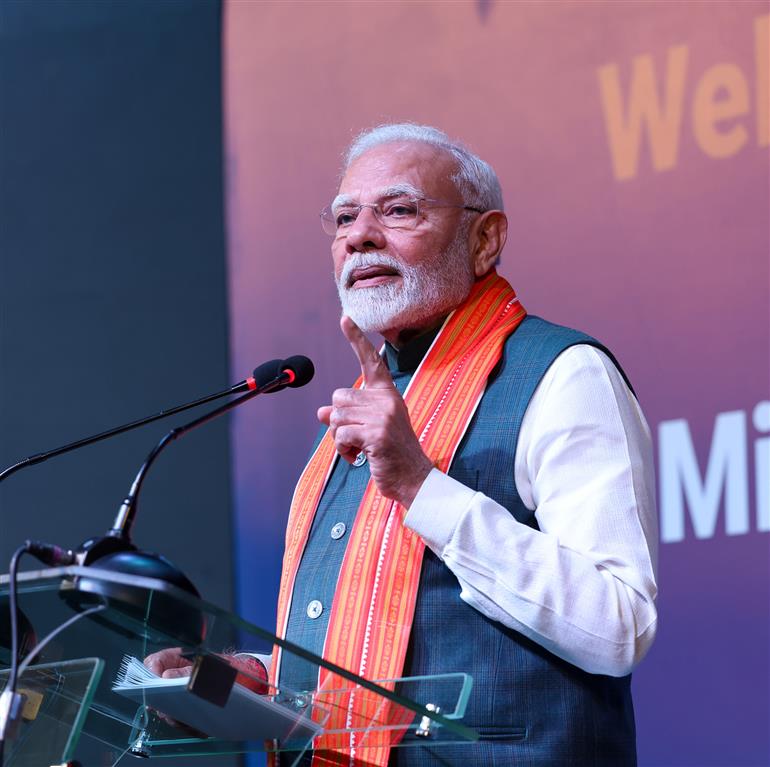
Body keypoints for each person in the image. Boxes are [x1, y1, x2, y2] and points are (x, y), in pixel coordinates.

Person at [148, 124, 658, 766]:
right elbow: (356, 658)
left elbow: (618, 625)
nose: (359, 235)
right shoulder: (361, 408)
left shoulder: (563, 374)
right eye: (343, 218)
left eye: (398, 210)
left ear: (486, 238)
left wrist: (420, 485)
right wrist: (223, 679)